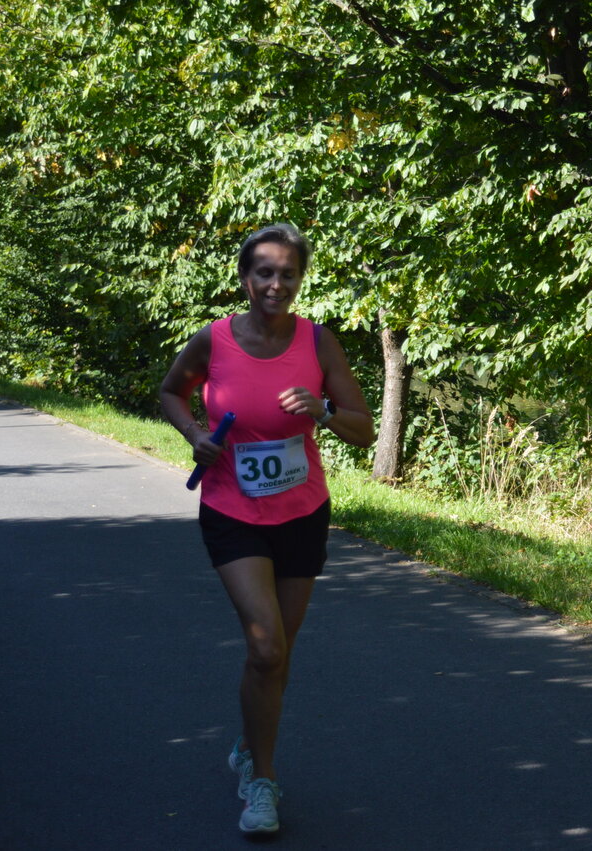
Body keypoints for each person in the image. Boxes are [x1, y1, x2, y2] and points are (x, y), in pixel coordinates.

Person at [160, 223, 374, 835]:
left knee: (277, 656)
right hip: (233, 510)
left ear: (299, 279)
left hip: (302, 514)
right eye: (264, 272)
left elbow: (363, 428)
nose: (276, 284)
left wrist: (323, 411)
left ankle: (251, 740)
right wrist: (195, 435)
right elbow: (171, 393)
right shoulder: (215, 339)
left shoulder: (319, 342)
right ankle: (262, 781)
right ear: (245, 278)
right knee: (266, 648)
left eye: (288, 273)